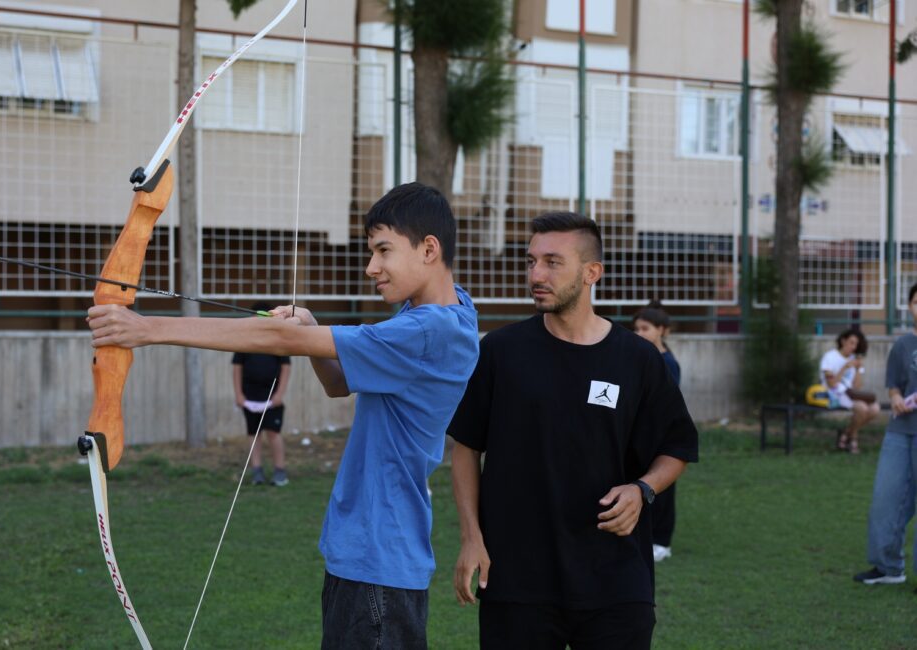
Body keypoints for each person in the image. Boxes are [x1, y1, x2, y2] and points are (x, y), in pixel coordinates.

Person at [87, 182, 479, 649]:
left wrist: (146, 328)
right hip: (368, 556)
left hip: (380, 562)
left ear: (429, 249)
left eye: (383, 250)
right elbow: (338, 383)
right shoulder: (451, 310)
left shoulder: (428, 330)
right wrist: (314, 331)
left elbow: (281, 341)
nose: (371, 266)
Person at [449, 212, 698, 649]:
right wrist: (472, 537)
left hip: (616, 580)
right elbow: (466, 448)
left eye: (552, 262)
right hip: (517, 579)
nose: (536, 275)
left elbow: (676, 446)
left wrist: (643, 490)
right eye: (530, 261)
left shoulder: (637, 359)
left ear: (591, 273)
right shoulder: (501, 352)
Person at [852, 282, 917, 586]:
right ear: (910, 307)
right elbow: (895, 384)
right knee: (886, 500)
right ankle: (888, 567)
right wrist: (894, 397)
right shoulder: (903, 345)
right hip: (900, 431)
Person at [632, 300, 681, 563]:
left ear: (661, 330)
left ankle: (662, 541)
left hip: (661, 434)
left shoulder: (667, 363)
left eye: (645, 328)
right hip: (643, 433)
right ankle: (648, 535)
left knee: (662, 487)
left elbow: (665, 403)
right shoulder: (643, 358)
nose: (639, 334)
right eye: (636, 329)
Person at [231, 301, 291, 486]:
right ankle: (257, 470)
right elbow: (236, 368)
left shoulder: (278, 340)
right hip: (250, 395)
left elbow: (285, 367)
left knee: (273, 433)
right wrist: (239, 394)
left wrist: (279, 394)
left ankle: (279, 470)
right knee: (253, 434)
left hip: (272, 397)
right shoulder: (245, 341)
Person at [820, 328, 880, 454]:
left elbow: (857, 387)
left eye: (856, 344)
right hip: (833, 394)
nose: (853, 347)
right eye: (851, 343)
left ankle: (846, 434)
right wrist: (844, 367)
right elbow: (832, 384)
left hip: (850, 394)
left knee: (875, 409)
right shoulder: (830, 357)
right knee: (862, 408)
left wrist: (858, 369)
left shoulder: (854, 359)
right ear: (843, 341)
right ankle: (853, 439)